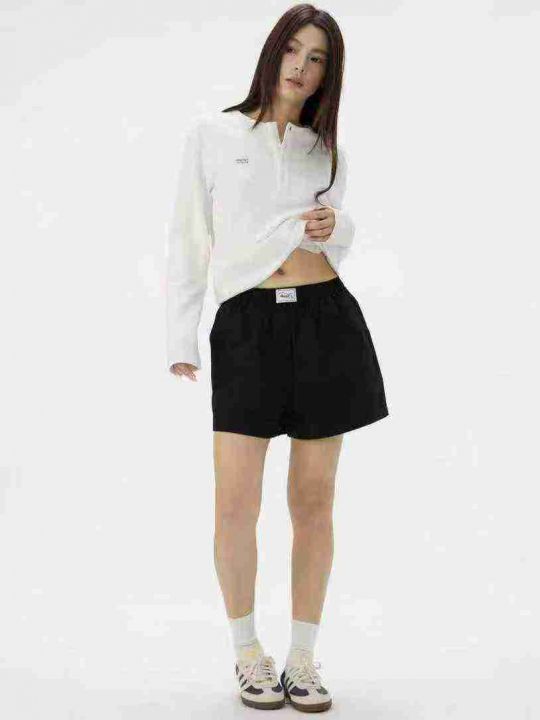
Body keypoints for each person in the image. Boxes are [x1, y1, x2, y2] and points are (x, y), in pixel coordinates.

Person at [166, 4, 389, 712]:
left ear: (330, 73)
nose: (301, 66)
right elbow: (189, 241)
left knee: (314, 500)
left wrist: (338, 224)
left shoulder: (327, 151)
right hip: (246, 327)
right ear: (272, 53)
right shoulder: (214, 134)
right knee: (235, 500)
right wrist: (180, 340)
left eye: (317, 58)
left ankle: (302, 657)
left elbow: (335, 238)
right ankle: (247, 654)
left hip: (327, 323)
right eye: (293, 50)